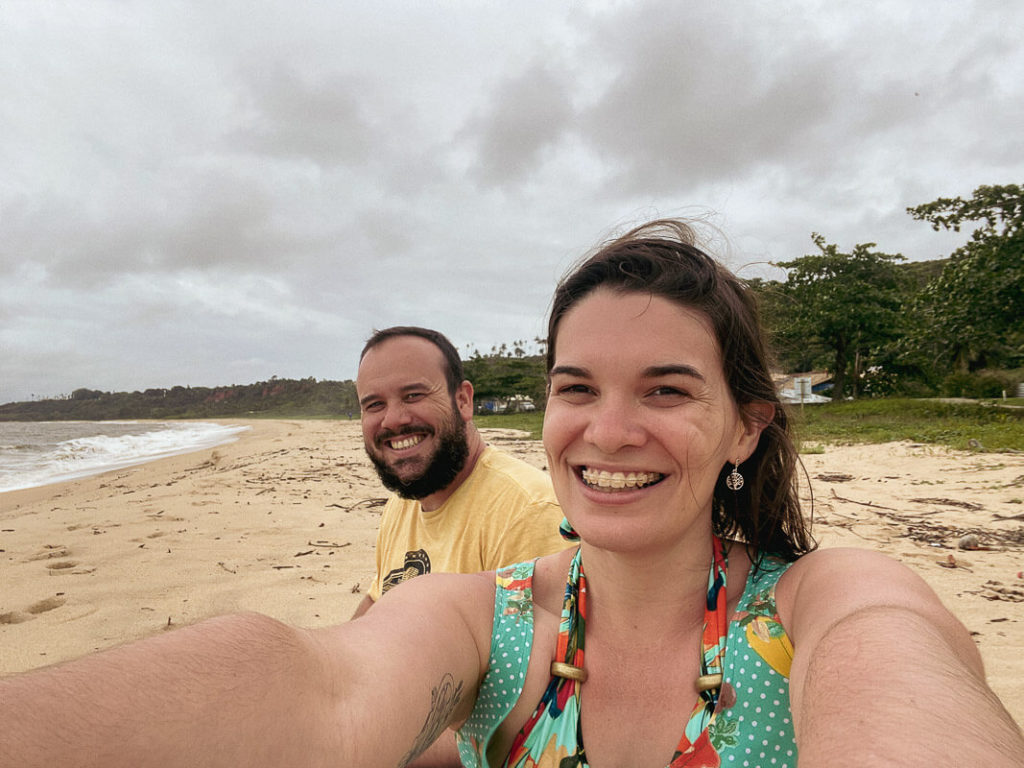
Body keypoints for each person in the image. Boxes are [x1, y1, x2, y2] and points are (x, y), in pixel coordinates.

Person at [2, 219, 1022, 768]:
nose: (606, 431)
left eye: (666, 391)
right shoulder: (483, 621)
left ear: (746, 424)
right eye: (576, 389)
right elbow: (326, 693)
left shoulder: (825, 601)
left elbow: (904, 688)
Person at [351, 326, 569, 620]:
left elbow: (544, 656)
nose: (393, 420)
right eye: (375, 404)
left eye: (413, 395)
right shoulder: (402, 505)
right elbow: (375, 602)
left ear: (463, 401)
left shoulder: (529, 515)